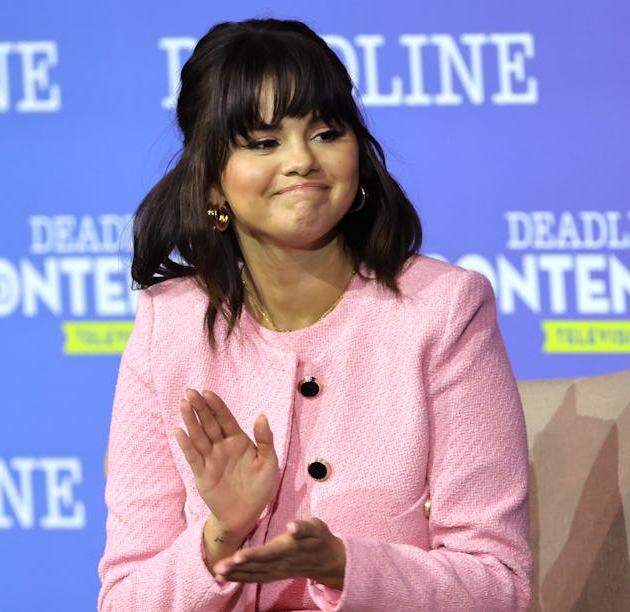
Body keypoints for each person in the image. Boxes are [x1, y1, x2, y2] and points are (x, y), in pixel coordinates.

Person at [98, 18, 531, 611]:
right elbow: (123, 601)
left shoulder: (445, 310)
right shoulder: (167, 326)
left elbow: (498, 584)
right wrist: (221, 535)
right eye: (264, 141)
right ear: (212, 184)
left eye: (326, 133)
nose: (302, 160)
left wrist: (346, 568)